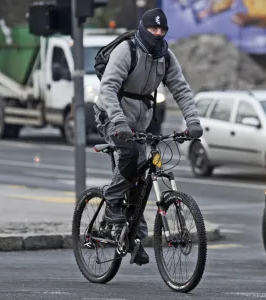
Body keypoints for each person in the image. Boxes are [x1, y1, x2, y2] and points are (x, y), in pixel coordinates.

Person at [93, 8, 203, 265]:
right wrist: (118, 121)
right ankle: (111, 200)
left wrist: (193, 121)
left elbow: (182, 90)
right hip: (111, 115)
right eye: (154, 29)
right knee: (130, 155)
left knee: (142, 176)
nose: (158, 33)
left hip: (141, 121)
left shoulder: (165, 57)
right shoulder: (126, 51)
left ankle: (134, 238)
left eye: (162, 30)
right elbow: (108, 88)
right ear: (144, 29)